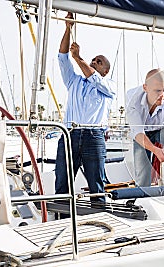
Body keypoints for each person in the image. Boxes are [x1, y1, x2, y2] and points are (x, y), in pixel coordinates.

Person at [55, 12, 116, 203]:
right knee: (62, 183)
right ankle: (61, 221)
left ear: (105, 71)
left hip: (94, 136)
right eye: (93, 60)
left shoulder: (109, 87)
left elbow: (93, 77)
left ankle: (100, 218)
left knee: (96, 186)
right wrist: (68, 28)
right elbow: (62, 57)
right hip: (70, 134)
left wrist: (78, 58)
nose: (93, 62)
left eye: (99, 61)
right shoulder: (74, 81)